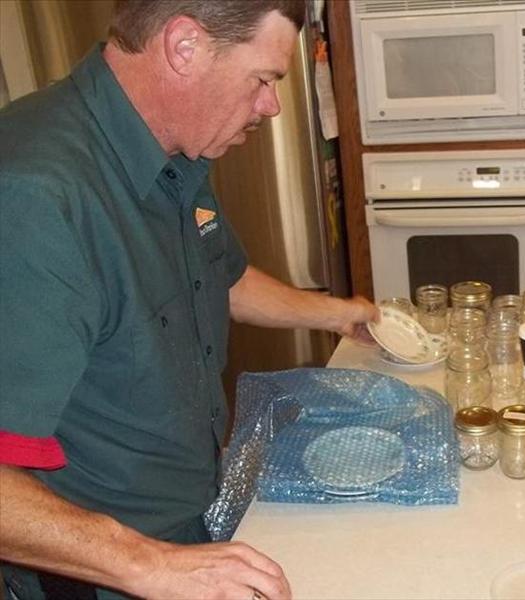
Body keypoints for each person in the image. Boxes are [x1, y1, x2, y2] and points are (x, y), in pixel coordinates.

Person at [0, 1, 378, 599]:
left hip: (184, 520)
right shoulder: (34, 197)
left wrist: (342, 314)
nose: (271, 106)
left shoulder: (172, 150)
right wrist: (146, 564)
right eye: (263, 79)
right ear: (184, 47)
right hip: (100, 570)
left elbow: (219, 276)